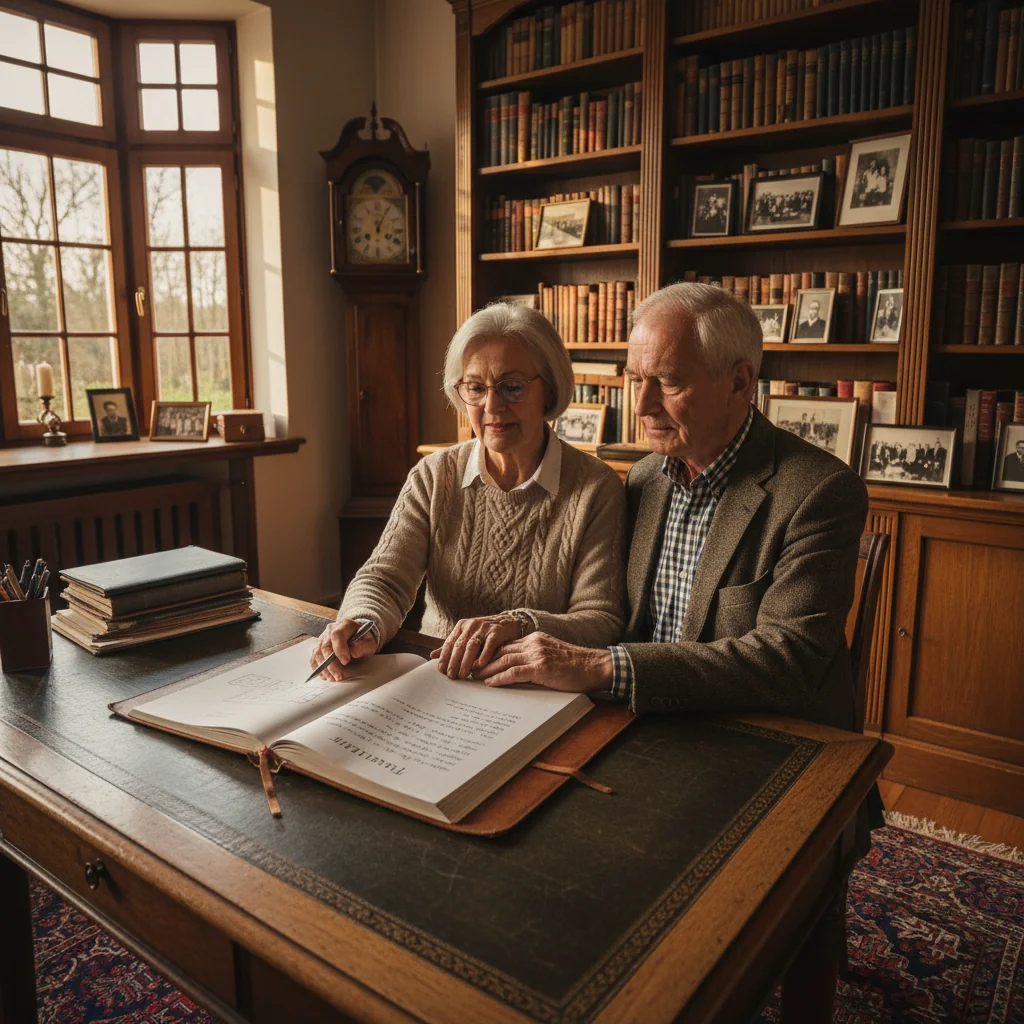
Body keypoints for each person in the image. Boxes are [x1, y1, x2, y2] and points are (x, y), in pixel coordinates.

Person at [474, 282, 868, 737]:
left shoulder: (820, 491)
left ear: (739, 382)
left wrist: (606, 667)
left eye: (669, 382)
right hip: (643, 718)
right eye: (636, 380)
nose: (642, 405)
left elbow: (788, 661)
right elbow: (609, 614)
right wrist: (524, 624)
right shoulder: (644, 479)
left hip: (764, 732)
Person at [310, 301, 626, 682]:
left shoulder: (596, 489)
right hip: (437, 678)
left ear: (550, 389)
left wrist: (519, 624)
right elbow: (385, 579)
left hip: (536, 692)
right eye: (475, 388)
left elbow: (600, 621)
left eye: (512, 387)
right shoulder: (434, 476)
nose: (492, 406)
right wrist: (361, 623)